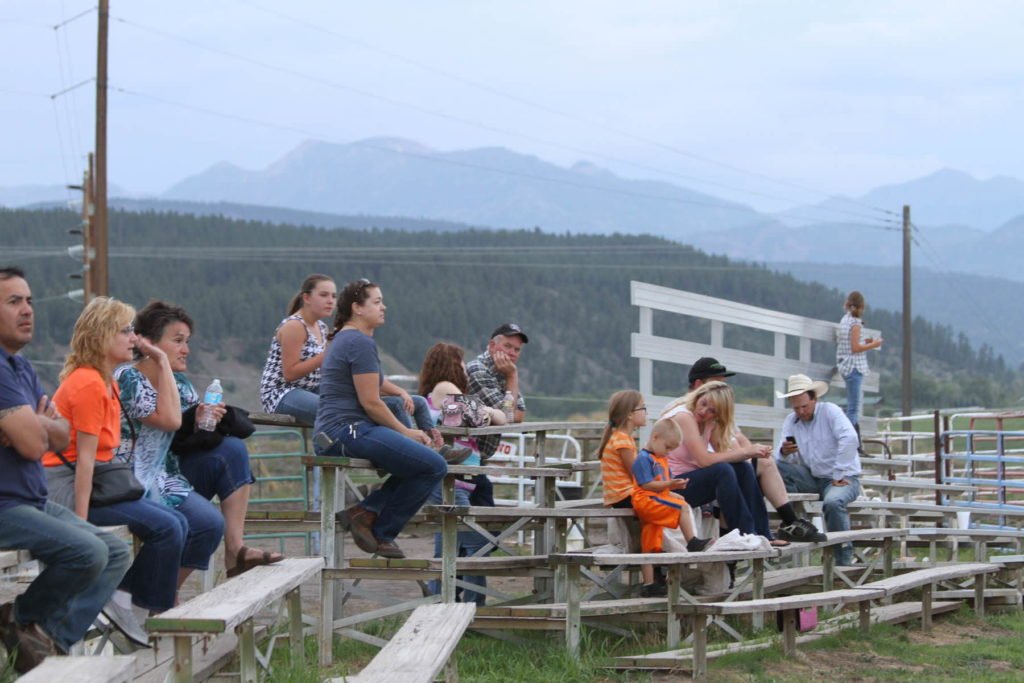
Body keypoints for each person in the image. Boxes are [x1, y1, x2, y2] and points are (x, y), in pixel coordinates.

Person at [0, 267, 131, 672]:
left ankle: (48, 639)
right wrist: (38, 427)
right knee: (88, 552)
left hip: (31, 498)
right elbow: (33, 444)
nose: (27, 310)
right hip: (5, 505)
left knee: (115, 552)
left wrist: (34, 425)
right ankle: (20, 618)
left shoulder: (19, 368)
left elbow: (60, 435)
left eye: (29, 300)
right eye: (13, 302)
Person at [42, 296, 190, 641]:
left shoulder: (104, 380)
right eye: (124, 331)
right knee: (168, 527)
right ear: (101, 336)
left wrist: (161, 360)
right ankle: (137, 609)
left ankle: (130, 602)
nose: (132, 338)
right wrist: (79, 528)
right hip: (66, 487)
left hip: (94, 481)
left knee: (178, 522)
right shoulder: (89, 384)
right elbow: (84, 461)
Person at [118, 300, 281, 578]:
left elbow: (179, 440)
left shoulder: (181, 384)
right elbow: (167, 421)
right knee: (206, 524)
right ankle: (146, 595)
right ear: (148, 344)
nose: (186, 350)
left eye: (187, 341)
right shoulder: (129, 378)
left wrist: (204, 421)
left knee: (232, 450)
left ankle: (235, 549)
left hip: (168, 473)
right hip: (132, 478)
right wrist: (191, 417)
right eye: (178, 340)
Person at [313, 279, 447, 559]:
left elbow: (374, 389)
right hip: (347, 431)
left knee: (420, 462)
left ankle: (365, 512)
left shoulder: (346, 338)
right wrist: (406, 432)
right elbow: (371, 402)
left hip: (342, 430)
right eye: (376, 302)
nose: (383, 307)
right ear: (357, 308)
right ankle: (381, 530)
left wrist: (401, 412)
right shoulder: (358, 341)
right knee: (434, 466)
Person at [687, 357, 824, 543]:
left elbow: (737, 438)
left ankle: (776, 528)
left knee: (752, 466)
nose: (723, 389)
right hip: (701, 472)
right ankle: (781, 525)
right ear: (699, 385)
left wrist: (752, 452)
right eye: (717, 384)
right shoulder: (691, 411)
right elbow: (713, 451)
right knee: (742, 471)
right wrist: (747, 454)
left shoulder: (713, 408)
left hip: (716, 467)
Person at [418, 341, 500, 605]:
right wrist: (490, 411)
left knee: (449, 545)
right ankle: (473, 608)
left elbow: (477, 417)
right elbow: (480, 418)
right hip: (450, 480)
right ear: (451, 365)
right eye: (462, 364)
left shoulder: (441, 395)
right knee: (477, 544)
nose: (465, 370)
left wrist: (487, 412)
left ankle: (440, 601)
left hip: (454, 479)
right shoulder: (446, 387)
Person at [659, 381, 784, 545]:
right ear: (698, 396)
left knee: (743, 468)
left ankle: (763, 534)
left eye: (712, 410)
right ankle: (746, 533)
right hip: (670, 485)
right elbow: (704, 460)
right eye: (703, 403)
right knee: (723, 471)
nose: (703, 411)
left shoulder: (709, 422)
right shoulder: (684, 416)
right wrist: (746, 451)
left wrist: (749, 452)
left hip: (688, 481)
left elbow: (723, 452)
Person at [775, 374, 861, 566]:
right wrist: (784, 452)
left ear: (815, 399)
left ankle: (842, 560)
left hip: (843, 477)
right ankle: (795, 521)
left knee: (833, 502)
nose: (801, 411)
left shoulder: (830, 411)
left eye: (804, 406)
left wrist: (839, 473)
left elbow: (850, 439)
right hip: (813, 477)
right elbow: (784, 458)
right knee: (773, 465)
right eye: (796, 408)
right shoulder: (791, 421)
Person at [596, 389, 662, 596]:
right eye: (643, 408)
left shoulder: (620, 438)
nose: (646, 412)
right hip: (625, 495)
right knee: (664, 513)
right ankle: (655, 578)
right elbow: (637, 474)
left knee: (651, 529)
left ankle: (655, 577)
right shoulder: (623, 441)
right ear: (630, 414)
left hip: (624, 494)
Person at [259, 274, 337, 425]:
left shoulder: (321, 327)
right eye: (323, 295)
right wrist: (326, 356)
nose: (330, 301)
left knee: (350, 405)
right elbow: (290, 373)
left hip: (310, 388)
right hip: (282, 393)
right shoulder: (294, 326)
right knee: (332, 412)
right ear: (306, 298)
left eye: (334, 296)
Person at [631, 418, 710, 556]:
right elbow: (646, 485)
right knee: (682, 507)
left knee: (651, 540)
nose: (668, 452)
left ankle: (651, 569)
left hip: (655, 498)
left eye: (671, 450)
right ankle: (692, 542)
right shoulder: (643, 458)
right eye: (667, 447)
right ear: (655, 437)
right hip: (645, 500)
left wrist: (674, 486)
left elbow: (663, 484)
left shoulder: (662, 459)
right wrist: (669, 484)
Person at [466, 323, 528, 461]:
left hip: (477, 455)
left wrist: (511, 376)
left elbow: (520, 414)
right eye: (507, 346)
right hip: (463, 453)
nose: (512, 353)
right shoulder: (478, 370)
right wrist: (512, 376)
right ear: (492, 345)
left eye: (517, 349)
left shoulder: (505, 371)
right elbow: (508, 416)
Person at [836, 292, 882, 451]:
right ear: (862, 307)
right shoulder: (856, 323)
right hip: (854, 366)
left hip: (845, 364)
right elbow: (855, 348)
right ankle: (848, 442)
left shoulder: (845, 320)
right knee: (853, 409)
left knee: (851, 406)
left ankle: (855, 444)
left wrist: (865, 341)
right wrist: (874, 345)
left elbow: (850, 342)